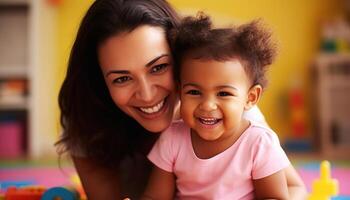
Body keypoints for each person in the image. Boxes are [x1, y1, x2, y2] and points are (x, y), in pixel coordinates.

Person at [57, 0, 306, 199]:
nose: (147, 94)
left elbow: (293, 189)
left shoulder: (234, 114)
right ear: (100, 82)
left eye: (158, 67)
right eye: (122, 79)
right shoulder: (89, 118)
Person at [142, 14, 291, 200]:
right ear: (179, 92)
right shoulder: (172, 139)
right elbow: (155, 196)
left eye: (223, 94)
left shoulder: (259, 143)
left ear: (250, 97)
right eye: (194, 92)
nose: (207, 105)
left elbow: (275, 197)